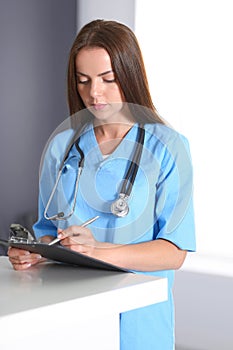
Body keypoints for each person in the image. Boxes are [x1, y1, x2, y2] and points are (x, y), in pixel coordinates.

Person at [8, 19, 195, 349]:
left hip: (138, 321)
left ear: (130, 75)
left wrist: (101, 252)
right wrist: (34, 252)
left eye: (108, 79)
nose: (94, 93)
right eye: (84, 81)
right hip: (69, 314)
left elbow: (174, 252)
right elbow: (47, 230)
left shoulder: (168, 147)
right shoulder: (61, 146)